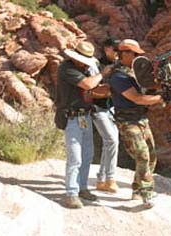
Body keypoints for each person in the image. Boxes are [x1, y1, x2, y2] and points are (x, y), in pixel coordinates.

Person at [108, 39, 171, 208]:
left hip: (141, 119)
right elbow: (137, 98)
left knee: (151, 156)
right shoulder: (118, 76)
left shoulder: (134, 73)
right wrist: (163, 98)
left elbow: (147, 90)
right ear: (124, 53)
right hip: (127, 121)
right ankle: (147, 193)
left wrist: (164, 89)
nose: (137, 58)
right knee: (142, 155)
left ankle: (137, 190)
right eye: (135, 54)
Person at [55, 41, 106, 209]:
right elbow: (88, 85)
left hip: (85, 115)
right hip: (72, 117)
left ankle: (82, 188)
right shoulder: (66, 68)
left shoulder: (84, 69)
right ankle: (71, 193)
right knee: (75, 157)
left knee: (87, 155)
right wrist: (104, 73)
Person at [90, 38, 121, 193]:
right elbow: (93, 88)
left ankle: (102, 180)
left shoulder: (118, 66)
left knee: (110, 142)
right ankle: (110, 178)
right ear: (107, 48)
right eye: (115, 49)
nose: (117, 53)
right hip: (97, 107)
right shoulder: (96, 65)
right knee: (112, 140)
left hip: (111, 108)